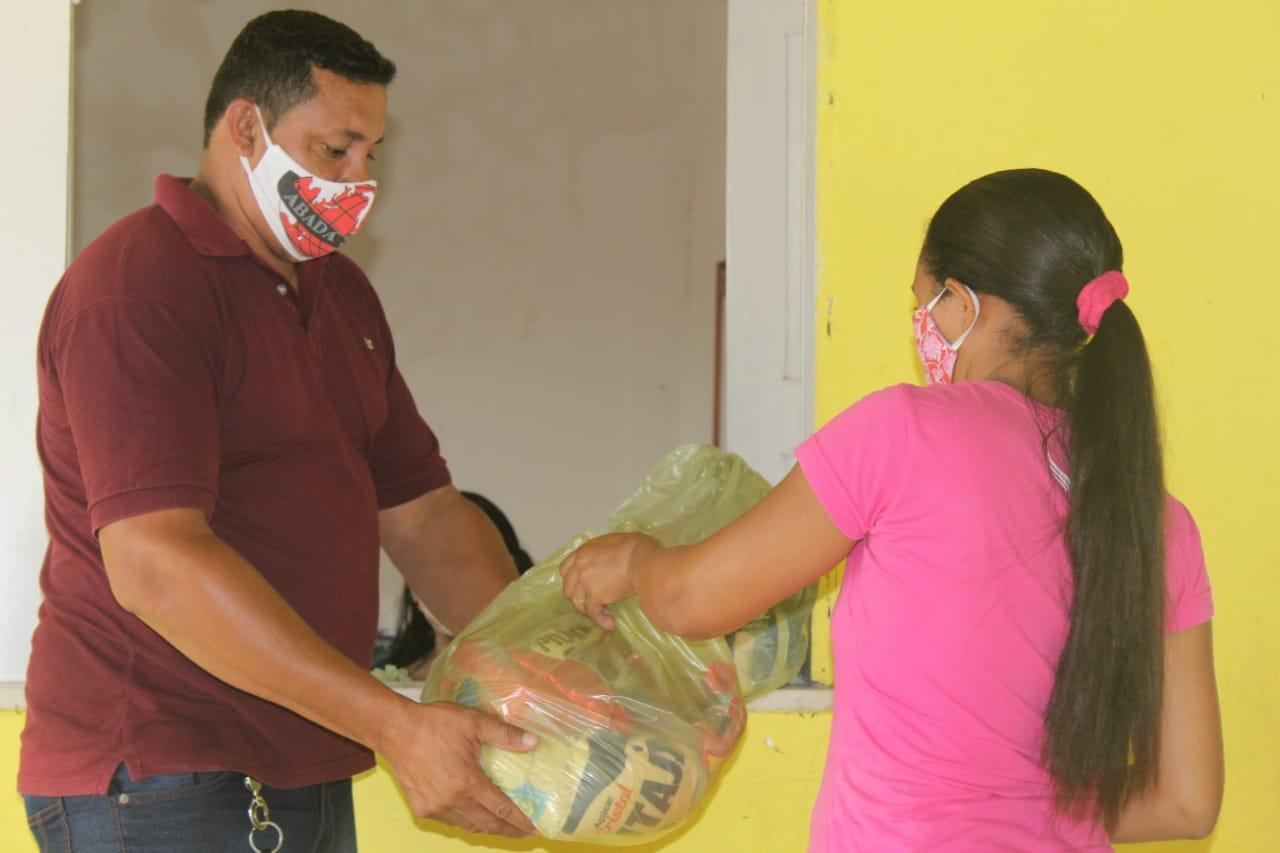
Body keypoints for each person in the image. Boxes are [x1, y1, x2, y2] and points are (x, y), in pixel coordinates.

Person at [561, 169, 1225, 850]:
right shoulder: (1157, 520)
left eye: (926, 303)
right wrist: (1035, 806)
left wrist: (635, 560)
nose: (921, 328)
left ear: (965, 303)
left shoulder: (904, 432)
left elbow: (689, 599)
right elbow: (1185, 801)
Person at [20, 11, 537, 851]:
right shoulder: (138, 288)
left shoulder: (340, 297)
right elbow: (155, 561)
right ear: (247, 127)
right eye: (337, 149)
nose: (359, 178)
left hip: (307, 760)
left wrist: (553, 673)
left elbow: (427, 516)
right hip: (160, 777)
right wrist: (396, 726)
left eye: (374, 154)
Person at [379, 492, 536, 679]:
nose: (450, 591)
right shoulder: (375, 673)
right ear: (411, 585)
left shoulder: (542, 676)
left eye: (471, 567)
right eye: (433, 567)